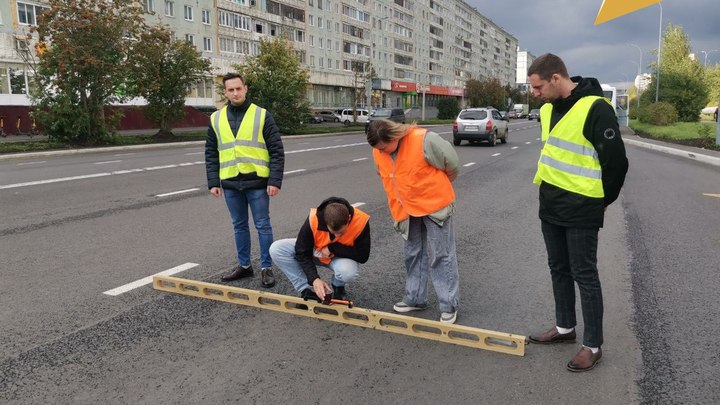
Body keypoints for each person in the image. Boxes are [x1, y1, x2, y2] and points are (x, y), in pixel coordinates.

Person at [526, 54, 628, 372]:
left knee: (585, 275)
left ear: (557, 78)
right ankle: (565, 328)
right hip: (551, 204)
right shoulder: (547, 109)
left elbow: (617, 163)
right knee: (558, 268)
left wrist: (602, 201)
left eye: (538, 87)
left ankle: (593, 345)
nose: (535, 93)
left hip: (583, 207)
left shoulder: (596, 108)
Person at [366, 119, 460, 324]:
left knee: (441, 255)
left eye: (383, 147)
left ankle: (448, 304)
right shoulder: (378, 151)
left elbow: (451, 164)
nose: (381, 151)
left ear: (394, 136)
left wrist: (437, 185)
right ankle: (415, 298)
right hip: (406, 209)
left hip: (435, 206)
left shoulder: (424, 140)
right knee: (412, 253)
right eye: (377, 148)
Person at [205, 73, 285, 288]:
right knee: (239, 225)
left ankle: (266, 268)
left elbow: (276, 150)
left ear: (246, 88)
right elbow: (211, 152)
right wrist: (213, 181)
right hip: (230, 182)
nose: (235, 93)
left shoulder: (261, 115)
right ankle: (244, 265)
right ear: (225, 92)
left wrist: (274, 181)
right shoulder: (216, 118)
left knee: (262, 225)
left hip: (257, 182)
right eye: (230, 90)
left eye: (238, 88)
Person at [269, 197, 370, 301]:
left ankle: (338, 286)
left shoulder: (360, 221)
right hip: (314, 250)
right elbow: (301, 251)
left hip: (337, 257)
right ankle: (308, 289)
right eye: (332, 232)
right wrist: (314, 279)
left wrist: (333, 248)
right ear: (326, 222)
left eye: (340, 232)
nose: (336, 235)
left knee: (348, 273)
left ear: (348, 218)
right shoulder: (314, 218)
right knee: (277, 249)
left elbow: (363, 256)